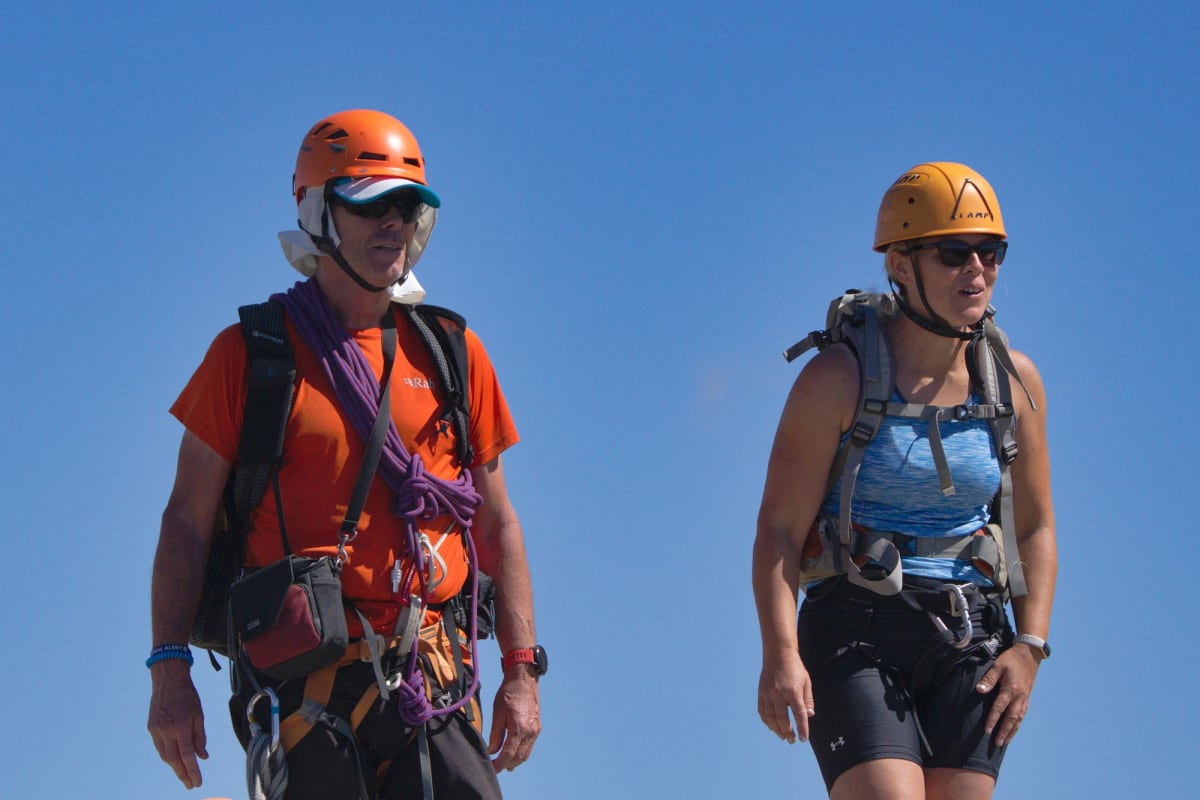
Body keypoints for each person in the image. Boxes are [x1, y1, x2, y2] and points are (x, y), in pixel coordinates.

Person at [147, 109, 544, 799]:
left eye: (407, 207)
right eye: (370, 205)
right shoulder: (250, 356)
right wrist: (169, 670)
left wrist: (521, 669)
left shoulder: (454, 355)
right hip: (304, 685)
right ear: (316, 212)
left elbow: (497, 521)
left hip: (434, 678)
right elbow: (185, 520)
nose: (393, 224)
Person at [752, 162, 1056, 799]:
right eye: (953, 252)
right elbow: (779, 529)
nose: (977, 269)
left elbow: (1034, 526)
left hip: (973, 635)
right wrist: (780, 653)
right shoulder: (835, 380)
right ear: (899, 264)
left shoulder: (1014, 383)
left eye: (991, 251)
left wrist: (1029, 647)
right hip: (855, 628)